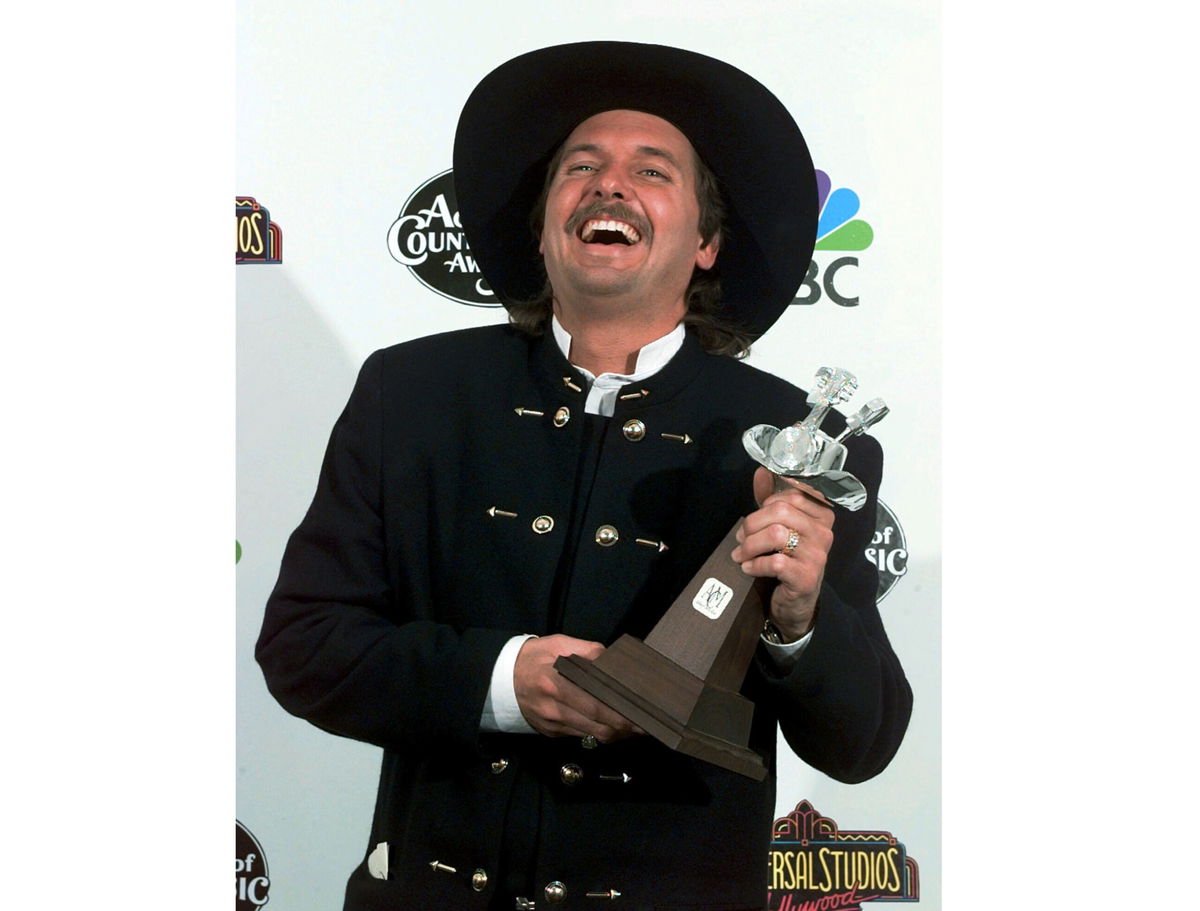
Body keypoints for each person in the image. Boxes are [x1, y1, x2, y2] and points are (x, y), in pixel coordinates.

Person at [256, 41, 911, 911]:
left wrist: (799, 618)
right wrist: (500, 684)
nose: (611, 186)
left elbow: (860, 744)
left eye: (652, 171)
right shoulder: (407, 395)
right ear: (542, 225)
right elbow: (302, 646)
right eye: (582, 166)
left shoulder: (807, 448)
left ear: (707, 242)